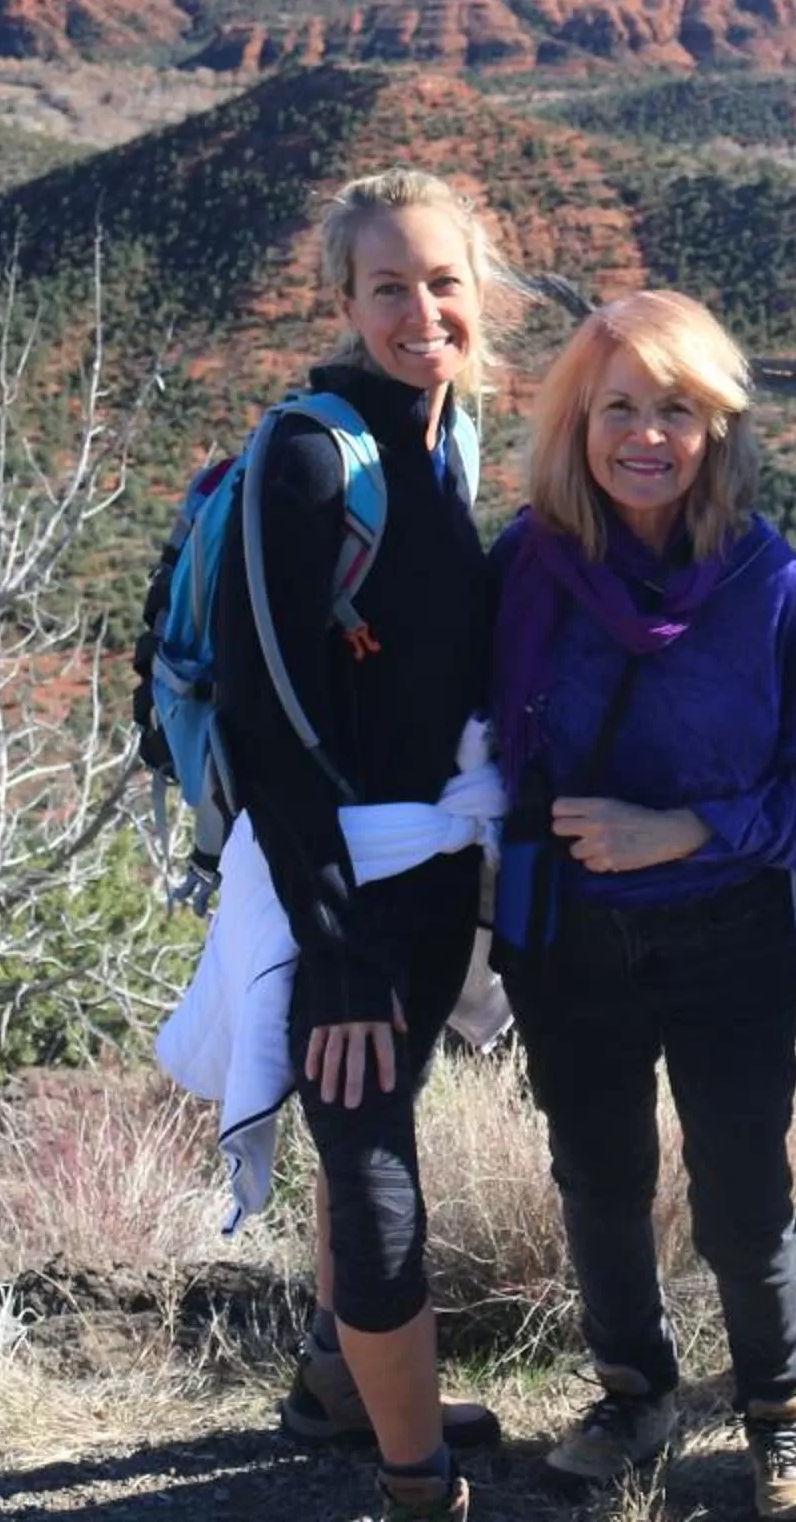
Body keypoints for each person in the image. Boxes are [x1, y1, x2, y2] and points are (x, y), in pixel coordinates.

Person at [489, 290, 796, 1521]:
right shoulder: (524, 568)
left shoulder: (769, 584)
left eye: (677, 408)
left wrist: (692, 826)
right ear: (577, 421)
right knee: (597, 1173)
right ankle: (633, 1392)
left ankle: (782, 1411)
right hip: (567, 934)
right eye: (619, 407)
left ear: (719, 426)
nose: (646, 435)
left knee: (743, 1189)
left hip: (724, 930)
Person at [213, 167, 514, 1522]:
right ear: (343, 297)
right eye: (389, 286)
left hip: (435, 867)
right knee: (376, 1167)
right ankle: (415, 1483)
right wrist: (333, 947)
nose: (421, 311)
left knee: (372, 1144)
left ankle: (341, 1379)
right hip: (339, 886)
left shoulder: (449, 438)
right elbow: (267, 721)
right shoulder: (305, 456)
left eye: (443, 281)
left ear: (478, 289)